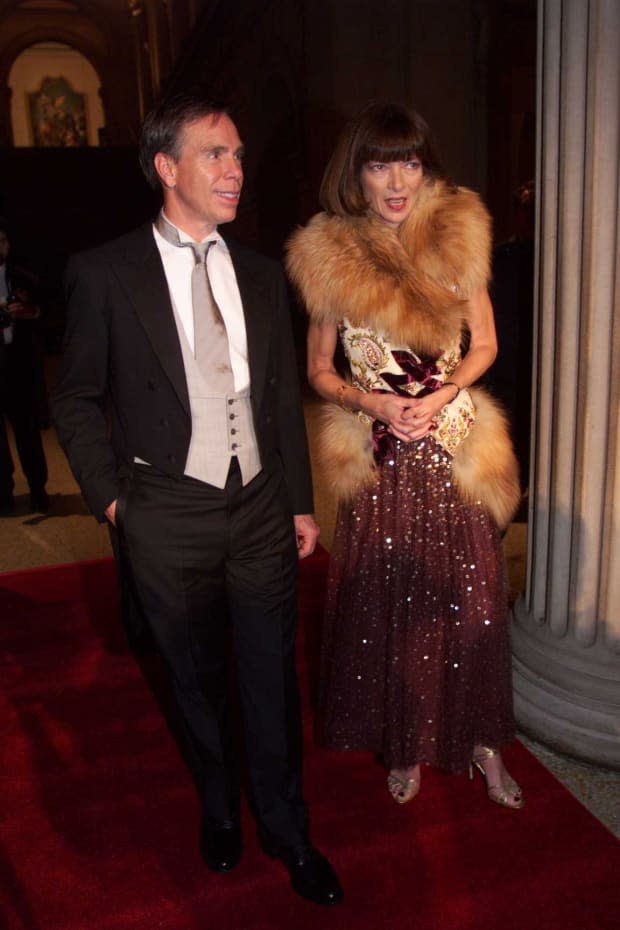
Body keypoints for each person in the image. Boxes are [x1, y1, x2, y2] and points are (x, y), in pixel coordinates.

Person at [51, 92, 342, 906]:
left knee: (270, 678)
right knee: (195, 678)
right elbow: (74, 397)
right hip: (165, 509)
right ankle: (219, 806)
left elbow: (279, 397)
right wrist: (115, 504)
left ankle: (288, 828)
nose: (235, 170)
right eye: (215, 153)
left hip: (257, 504)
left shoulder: (257, 271)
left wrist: (298, 502)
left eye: (239, 155)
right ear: (166, 167)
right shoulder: (104, 274)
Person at [286, 101, 523, 808]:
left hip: (454, 449)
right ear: (354, 173)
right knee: (392, 606)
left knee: (475, 606)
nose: (396, 180)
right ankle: (407, 741)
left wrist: (446, 391)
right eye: (379, 163)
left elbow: (487, 342)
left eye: (410, 162)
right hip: (380, 454)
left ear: (427, 169)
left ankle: (484, 742)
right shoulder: (330, 256)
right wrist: (374, 404)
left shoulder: (459, 238)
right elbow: (320, 370)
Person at [0, 218, 49, 515]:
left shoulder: (23, 275)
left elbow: (50, 309)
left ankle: (38, 490)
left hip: (19, 366)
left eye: (3, 241)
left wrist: (30, 312)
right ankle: (3, 495)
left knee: (27, 432)